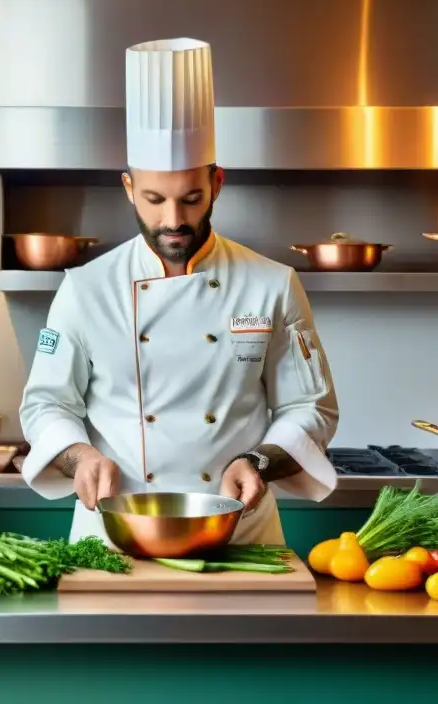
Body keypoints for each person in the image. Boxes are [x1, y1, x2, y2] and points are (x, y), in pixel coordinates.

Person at [19, 38, 338, 545]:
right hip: (113, 530)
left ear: (217, 183)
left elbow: (311, 408)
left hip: (238, 531)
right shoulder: (85, 289)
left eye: (191, 198)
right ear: (128, 188)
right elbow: (45, 405)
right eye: (153, 199)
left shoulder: (271, 284)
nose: (173, 221)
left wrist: (258, 460)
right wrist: (81, 457)